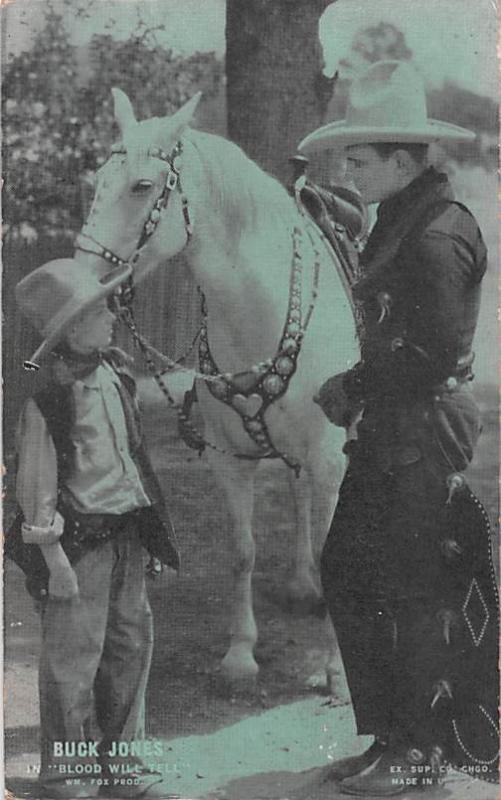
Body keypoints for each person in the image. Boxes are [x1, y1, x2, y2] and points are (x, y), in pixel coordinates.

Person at [300, 61, 499, 795]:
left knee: (412, 589)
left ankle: (419, 756)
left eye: (358, 158)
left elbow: (437, 352)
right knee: (351, 573)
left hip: (421, 426)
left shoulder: (438, 233)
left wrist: (350, 384)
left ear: (404, 159)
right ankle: (389, 738)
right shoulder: (401, 218)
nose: (347, 168)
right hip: (391, 426)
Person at [11, 258, 180, 800]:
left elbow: (134, 460)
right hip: (80, 546)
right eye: (100, 309)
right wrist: (53, 559)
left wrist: (151, 535)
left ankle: (122, 759)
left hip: (127, 535)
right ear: (70, 328)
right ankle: (68, 771)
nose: (112, 315)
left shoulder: (116, 375)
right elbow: (37, 483)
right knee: (72, 660)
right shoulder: (49, 398)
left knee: (131, 645)